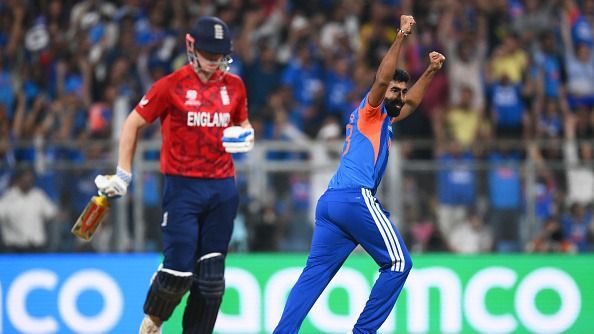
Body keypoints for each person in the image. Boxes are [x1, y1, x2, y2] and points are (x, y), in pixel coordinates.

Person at [274, 15, 445, 334]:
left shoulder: (386, 120)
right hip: (355, 197)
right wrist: (401, 37)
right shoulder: (370, 111)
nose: (399, 96)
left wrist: (431, 71)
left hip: (332, 204)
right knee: (398, 264)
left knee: (314, 275)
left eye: (401, 91)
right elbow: (381, 81)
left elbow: (412, 102)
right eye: (396, 90)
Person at [94, 16, 254, 334]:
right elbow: (132, 123)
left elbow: (244, 124)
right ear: (191, 46)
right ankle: (153, 321)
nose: (215, 61)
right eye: (208, 53)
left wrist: (246, 135)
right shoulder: (171, 85)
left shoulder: (234, 86)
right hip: (183, 188)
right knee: (178, 272)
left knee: (211, 281)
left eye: (219, 54)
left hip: (223, 189)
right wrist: (123, 174)